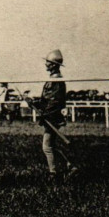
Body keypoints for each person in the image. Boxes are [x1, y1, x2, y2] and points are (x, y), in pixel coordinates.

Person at [33, 49, 72, 178]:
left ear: (54, 65)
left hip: (53, 117)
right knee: (51, 146)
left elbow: (54, 101)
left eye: (48, 62)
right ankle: (70, 166)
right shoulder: (52, 79)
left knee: (46, 147)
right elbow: (47, 99)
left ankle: (53, 173)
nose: (46, 64)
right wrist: (36, 103)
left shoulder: (57, 80)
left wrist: (44, 113)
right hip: (51, 116)